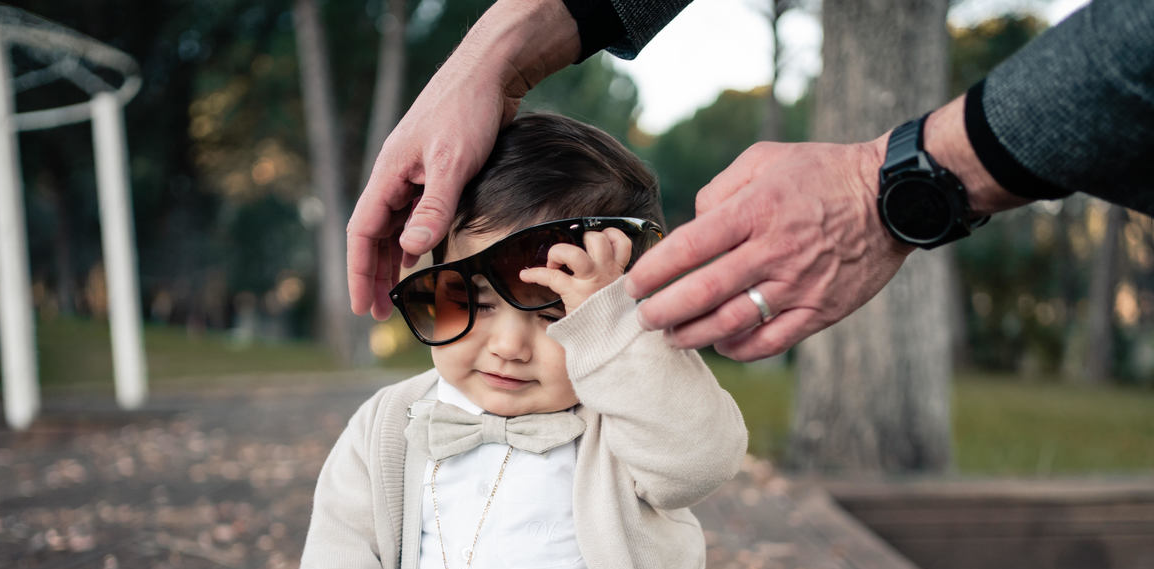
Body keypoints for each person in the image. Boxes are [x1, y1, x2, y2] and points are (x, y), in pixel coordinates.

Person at [272, 112, 747, 569]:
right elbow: (339, 566)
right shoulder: (390, 425)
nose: (509, 346)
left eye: (554, 314)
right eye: (478, 301)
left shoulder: (625, 415)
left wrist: (614, 333)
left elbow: (700, 459)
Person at [346, 0, 1154, 363]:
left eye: (546, 301)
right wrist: (498, 48)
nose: (505, 345)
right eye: (453, 298)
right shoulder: (392, 436)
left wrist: (902, 181)